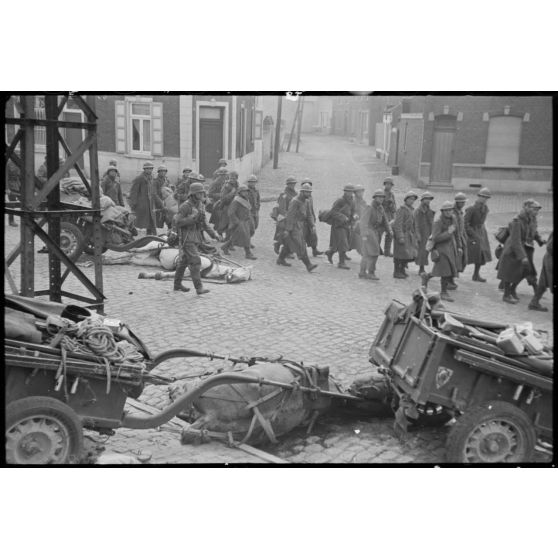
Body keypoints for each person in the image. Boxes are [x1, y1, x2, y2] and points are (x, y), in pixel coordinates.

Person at [173, 182, 222, 294]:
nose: (201, 195)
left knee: (184, 261)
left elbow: (204, 224)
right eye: (199, 193)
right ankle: (199, 288)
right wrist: (193, 218)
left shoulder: (200, 205)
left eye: (202, 193)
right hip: (187, 236)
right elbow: (177, 221)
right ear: (193, 194)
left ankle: (177, 284)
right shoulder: (186, 206)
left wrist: (214, 235)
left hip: (196, 237)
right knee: (195, 261)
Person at [497, 199, 545, 305]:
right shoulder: (517, 221)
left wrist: (539, 239)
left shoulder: (531, 219)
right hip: (513, 249)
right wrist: (522, 256)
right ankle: (506, 295)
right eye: (534, 209)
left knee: (524, 271)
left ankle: (512, 290)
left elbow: (534, 231)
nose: (536, 212)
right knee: (509, 272)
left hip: (524, 247)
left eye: (537, 210)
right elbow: (515, 240)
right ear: (526, 208)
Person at [422, 201, 459, 302]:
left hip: (451, 248)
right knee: (445, 271)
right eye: (446, 210)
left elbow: (457, 233)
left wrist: (459, 246)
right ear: (442, 211)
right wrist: (448, 232)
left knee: (441, 270)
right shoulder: (438, 222)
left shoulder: (453, 219)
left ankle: (426, 276)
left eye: (450, 210)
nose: (448, 212)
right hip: (441, 249)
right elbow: (436, 238)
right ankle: (443, 292)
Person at [277, 182, 318, 272]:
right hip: (293, 226)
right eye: (307, 192)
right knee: (300, 245)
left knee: (290, 244)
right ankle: (308, 265)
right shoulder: (295, 201)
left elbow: (309, 214)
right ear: (302, 192)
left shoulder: (306, 201)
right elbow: (290, 216)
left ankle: (280, 259)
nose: (309, 194)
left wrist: (312, 225)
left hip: (300, 226)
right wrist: (288, 229)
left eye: (310, 192)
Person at [359, 189, 390, 280]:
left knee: (367, 253)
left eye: (382, 197)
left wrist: (389, 230)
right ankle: (371, 272)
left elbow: (385, 220)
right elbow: (363, 222)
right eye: (379, 197)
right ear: (375, 198)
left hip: (376, 232)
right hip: (369, 231)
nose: (381, 199)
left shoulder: (380, 208)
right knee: (375, 252)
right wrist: (364, 235)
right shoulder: (369, 207)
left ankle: (362, 272)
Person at [221, 184, 257, 260]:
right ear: (240, 192)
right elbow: (231, 212)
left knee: (235, 237)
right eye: (243, 192)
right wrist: (237, 222)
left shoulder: (246, 200)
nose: (246, 193)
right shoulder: (236, 201)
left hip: (246, 221)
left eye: (246, 191)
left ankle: (225, 247)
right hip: (240, 222)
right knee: (246, 237)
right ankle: (248, 253)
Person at [464, 187, 492, 282]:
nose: (484, 199)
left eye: (486, 198)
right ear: (478, 196)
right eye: (482, 197)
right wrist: (472, 233)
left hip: (481, 232)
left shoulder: (485, 208)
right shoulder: (471, 209)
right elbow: (465, 223)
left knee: (482, 254)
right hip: (472, 233)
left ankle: (476, 275)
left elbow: (482, 222)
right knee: (466, 254)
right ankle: (453, 275)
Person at [325, 184, 355, 270]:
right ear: (345, 192)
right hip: (338, 225)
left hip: (346, 225)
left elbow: (353, 212)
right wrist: (343, 217)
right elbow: (333, 212)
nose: (350, 193)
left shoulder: (352, 202)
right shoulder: (340, 201)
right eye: (348, 191)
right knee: (343, 242)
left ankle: (330, 253)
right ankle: (341, 263)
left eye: (351, 192)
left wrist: (354, 218)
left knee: (338, 244)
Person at [392, 191, 418, 279]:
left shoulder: (411, 210)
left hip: (409, 235)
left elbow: (413, 224)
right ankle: (397, 271)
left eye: (413, 200)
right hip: (402, 234)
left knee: (406, 255)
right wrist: (400, 236)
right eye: (410, 199)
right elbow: (397, 224)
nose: (412, 201)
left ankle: (402, 270)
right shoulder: (401, 210)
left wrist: (415, 235)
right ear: (406, 200)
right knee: (399, 254)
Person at [129, 162, 158, 235]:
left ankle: (150, 236)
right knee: (139, 222)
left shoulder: (152, 178)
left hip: (150, 204)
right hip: (141, 204)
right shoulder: (139, 178)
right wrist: (133, 204)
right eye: (147, 169)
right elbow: (133, 192)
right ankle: (135, 235)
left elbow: (153, 192)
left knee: (151, 221)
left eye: (151, 168)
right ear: (144, 169)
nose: (149, 170)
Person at [273, 176, 298, 258]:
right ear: (287, 184)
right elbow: (282, 207)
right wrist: (286, 216)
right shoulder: (284, 194)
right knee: (286, 234)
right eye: (291, 184)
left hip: (293, 217)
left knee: (292, 235)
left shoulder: (296, 193)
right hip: (285, 217)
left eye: (294, 183)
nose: (292, 185)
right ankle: (284, 250)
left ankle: (280, 245)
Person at [529, 230, 553, 312]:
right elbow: (550, 247)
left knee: (543, 282)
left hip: (549, 259)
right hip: (551, 260)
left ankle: (534, 303)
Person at [299, 178, 323, 257]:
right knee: (300, 236)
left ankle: (314, 250)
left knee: (313, 234)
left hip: (309, 219)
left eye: (309, 184)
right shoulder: (298, 197)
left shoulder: (310, 197)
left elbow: (310, 209)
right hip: (301, 220)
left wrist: (313, 218)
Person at [214, 171, 239, 242]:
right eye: (231, 178)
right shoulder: (226, 186)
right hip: (226, 206)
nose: (232, 180)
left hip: (234, 206)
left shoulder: (237, 185)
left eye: (234, 178)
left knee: (232, 223)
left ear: (236, 178)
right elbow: (223, 198)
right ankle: (220, 235)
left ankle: (229, 238)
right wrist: (231, 193)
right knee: (223, 223)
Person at [450, 192, 468, 288]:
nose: (464, 204)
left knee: (461, 260)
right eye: (462, 202)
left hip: (460, 238)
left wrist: (464, 237)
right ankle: (449, 280)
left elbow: (462, 226)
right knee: (453, 260)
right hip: (454, 239)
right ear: (458, 203)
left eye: (464, 202)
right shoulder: (452, 213)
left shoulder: (460, 212)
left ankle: (452, 277)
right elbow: (452, 229)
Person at [414, 191, 434, 275]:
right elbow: (416, 224)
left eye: (429, 199)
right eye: (426, 199)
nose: (428, 201)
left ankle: (422, 267)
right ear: (422, 200)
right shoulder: (418, 211)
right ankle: (421, 268)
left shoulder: (430, 211)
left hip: (428, 233)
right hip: (421, 233)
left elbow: (432, 223)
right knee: (421, 251)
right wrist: (418, 234)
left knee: (426, 251)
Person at [379, 176, 396, 257]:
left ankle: (387, 251)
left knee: (390, 234)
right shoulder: (381, 194)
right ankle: (376, 250)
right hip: (381, 216)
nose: (388, 186)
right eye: (387, 184)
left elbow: (394, 208)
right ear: (384, 185)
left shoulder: (392, 195)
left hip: (389, 217)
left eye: (390, 185)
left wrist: (392, 205)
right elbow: (378, 205)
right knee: (378, 233)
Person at [351, 184, 367, 256]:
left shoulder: (363, 201)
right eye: (358, 192)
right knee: (355, 239)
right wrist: (355, 216)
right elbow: (352, 211)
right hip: (354, 223)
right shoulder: (353, 201)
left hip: (361, 222)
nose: (360, 193)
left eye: (361, 192)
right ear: (355, 193)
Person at [246, 174, 261, 245]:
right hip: (248, 212)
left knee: (255, 226)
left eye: (254, 182)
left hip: (255, 211)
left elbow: (258, 199)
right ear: (248, 182)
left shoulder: (256, 191)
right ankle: (248, 242)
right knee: (251, 228)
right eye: (251, 182)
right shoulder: (245, 190)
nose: (252, 183)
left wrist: (258, 207)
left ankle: (247, 240)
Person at [6, 158, 20, 227]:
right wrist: (7, 188)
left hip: (18, 185)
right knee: (12, 204)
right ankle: (11, 221)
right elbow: (6, 176)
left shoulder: (19, 163)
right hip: (11, 185)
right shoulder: (8, 164)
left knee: (24, 201)